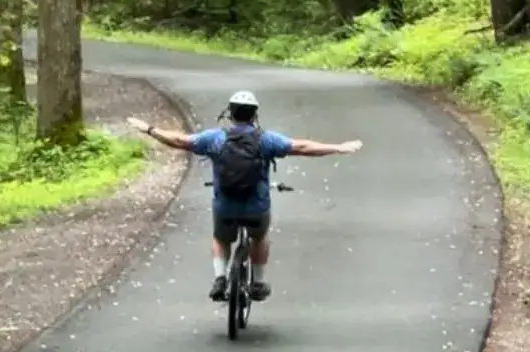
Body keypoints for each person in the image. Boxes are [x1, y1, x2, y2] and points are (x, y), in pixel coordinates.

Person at [126, 90, 363, 302]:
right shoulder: (266, 140)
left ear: (230, 113)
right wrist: (338, 147)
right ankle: (258, 283)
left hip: (225, 207)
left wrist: (149, 129)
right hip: (256, 207)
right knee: (259, 238)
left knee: (221, 238)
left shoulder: (214, 139)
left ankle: (220, 278)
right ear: (254, 114)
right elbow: (302, 147)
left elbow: (179, 140)